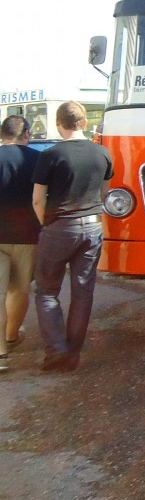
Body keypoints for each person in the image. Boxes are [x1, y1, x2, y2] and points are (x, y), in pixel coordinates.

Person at [31, 101, 113, 372]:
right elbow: (104, 194)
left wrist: (47, 224)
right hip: (92, 227)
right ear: (84, 123)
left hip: (59, 227)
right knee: (83, 293)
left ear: (59, 124)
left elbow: (37, 200)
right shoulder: (103, 153)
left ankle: (57, 350)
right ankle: (73, 353)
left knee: (46, 291)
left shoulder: (50, 155)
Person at [0, 115, 41, 371]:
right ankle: (11, 337)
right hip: (26, 235)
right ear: (26, 134)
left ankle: (0, 354)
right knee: (18, 290)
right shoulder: (38, 159)